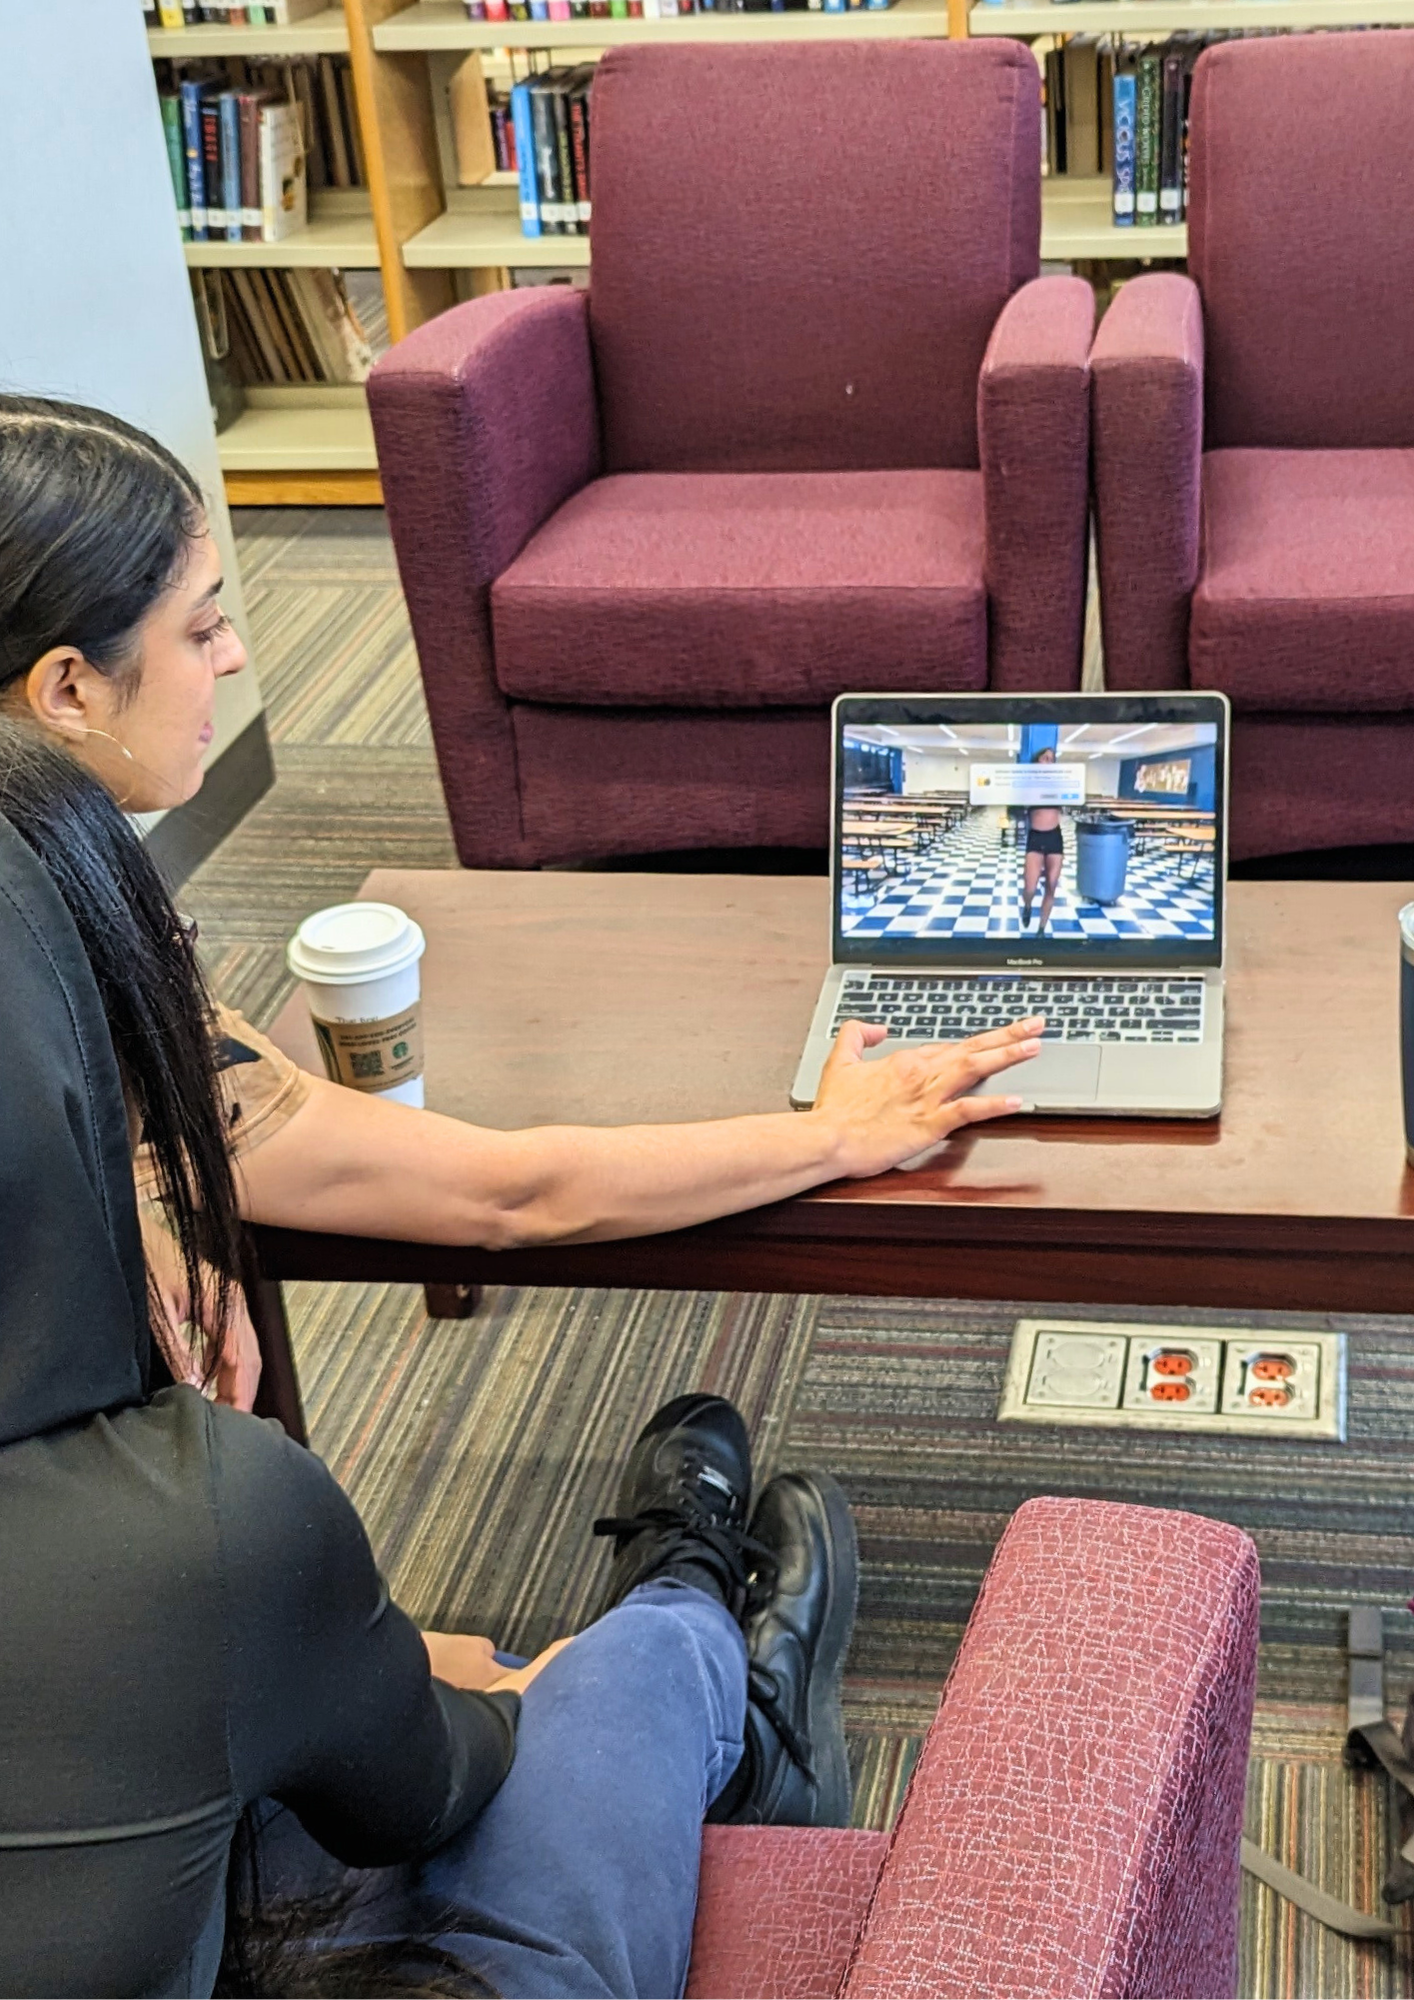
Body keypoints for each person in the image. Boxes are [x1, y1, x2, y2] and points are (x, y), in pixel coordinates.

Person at [0, 768, 859, 1997]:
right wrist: (434, 1669)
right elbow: (424, 1790)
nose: (233, 653)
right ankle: (706, 1636)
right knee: (614, 1686)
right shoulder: (192, 1522)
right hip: (375, 1778)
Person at [0, 393, 1044, 1403]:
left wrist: (143, 1204)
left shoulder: (56, 910)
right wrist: (838, 1136)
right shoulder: (62, 973)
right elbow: (511, 1192)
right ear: (68, 690)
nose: (232, 655)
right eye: (201, 627)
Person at [1021, 745, 1063, 935]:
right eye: (1045, 758)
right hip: (1035, 838)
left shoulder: (1061, 783)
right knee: (1030, 887)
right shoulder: (1028, 784)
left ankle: (1041, 929)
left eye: (1051, 759)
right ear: (1037, 761)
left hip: (1054, 837)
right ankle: (1028, 906)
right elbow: (1015, 809)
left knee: (1051, 886)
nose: (1048, 761)